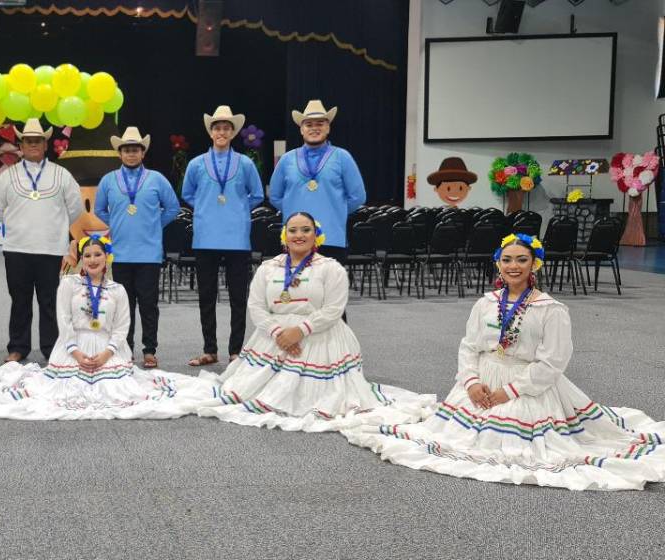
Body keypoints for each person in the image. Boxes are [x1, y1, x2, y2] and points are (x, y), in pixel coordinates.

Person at [343, 235, 665, 490]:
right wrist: (470, 382)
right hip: (481, 382)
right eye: (507, 260)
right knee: (449, 435)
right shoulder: (486, 303)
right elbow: (469, 347)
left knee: (514, 445)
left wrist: (509, 391)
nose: (513, 266)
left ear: (534, 264)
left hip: (527, 386)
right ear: (498, 264)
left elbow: (552, 364)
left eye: (521, 259)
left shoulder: (551, 310)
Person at [194, 213, 434, 431]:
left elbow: (334, 310)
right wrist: (278, 333)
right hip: (273, 338)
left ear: (316, 235)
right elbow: (256, 306)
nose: (299, 235)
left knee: (319, 395)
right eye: (293, 230)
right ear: (284, 236)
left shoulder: (331, 269)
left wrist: (299, 331)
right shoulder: (267, 268)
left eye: (306, 230)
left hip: (321, 337)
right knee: (249, 390)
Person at [0, 235, 216, 420]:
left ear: (107, 258)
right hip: (72, 348)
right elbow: (63, 321)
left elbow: (122, 328)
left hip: (108, 349)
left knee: (119, 391)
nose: (92, 260)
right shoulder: (68, 284)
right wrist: (76, 352)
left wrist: (107, 354)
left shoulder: (117, 290)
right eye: (87, 255)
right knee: (61, 390)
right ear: (81, 259)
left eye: (98, 254)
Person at [0, 118, 83, 363]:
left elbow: (75, 207)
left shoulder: (61, 174)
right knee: (19, 301)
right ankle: (18, 347)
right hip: (17, 248)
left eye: (37, 141)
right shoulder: (7, 176)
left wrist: (54, 226)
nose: (33, 144)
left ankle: (51, 348)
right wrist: (18, 223)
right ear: (21, 145)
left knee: (50, 302)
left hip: (50, 249)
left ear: (45, 144)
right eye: (28, 140)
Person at [181, 105, 265, 367]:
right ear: (211, 132)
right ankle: (210, 349)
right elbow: (187, 194)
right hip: (205, 237)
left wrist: (238, 209)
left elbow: (258, 194)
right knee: (206, 296)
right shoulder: (196, 164)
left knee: (238, 297)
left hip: (237, 238)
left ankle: (236, 350)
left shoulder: (245, 163)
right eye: (217, 128)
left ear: (233, 132)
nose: (221, 132)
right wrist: (206, 208)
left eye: (226, 128)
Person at [94, 126, 180, 369]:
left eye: (135, 150)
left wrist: (154, 225)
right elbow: (99, 209)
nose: (131, 154)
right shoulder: (108, 180)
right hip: (121, 253)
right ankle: (125, 348)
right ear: (120, 153)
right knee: (123, 306)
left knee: (149, 305)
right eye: (127, 150)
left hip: (149, 254)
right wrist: (116, 223)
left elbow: (173, 207)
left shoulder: (156, 179)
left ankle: (149, 350)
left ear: (143, 153)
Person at [268, 100, 366, 265]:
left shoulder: (342, 157)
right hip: (296, 239)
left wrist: (336, 210)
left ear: (328, 128)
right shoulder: (287, 159)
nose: (314, 128)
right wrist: (294, 213)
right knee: (296, 281)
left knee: (331, 282)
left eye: (320, 124)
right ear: (301, 129)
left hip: (331, 237)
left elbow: (358, 196)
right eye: (309, 124)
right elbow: (275, 196)